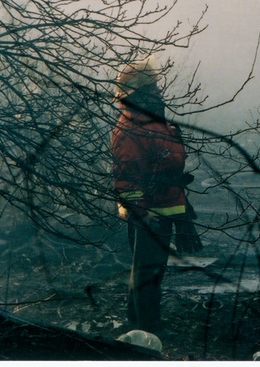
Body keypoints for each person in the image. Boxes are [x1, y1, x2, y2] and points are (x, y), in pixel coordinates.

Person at [110, 56, 188, 334]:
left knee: (151, 272)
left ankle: (141, 328)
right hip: (150, 215)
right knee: (147, 274)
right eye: (152, 86)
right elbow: (127, 179)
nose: (158, 90)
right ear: (138, 92)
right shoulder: (131, 128)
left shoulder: (152, 121)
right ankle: (145, 333)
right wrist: (143, 215)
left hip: (162, 210)